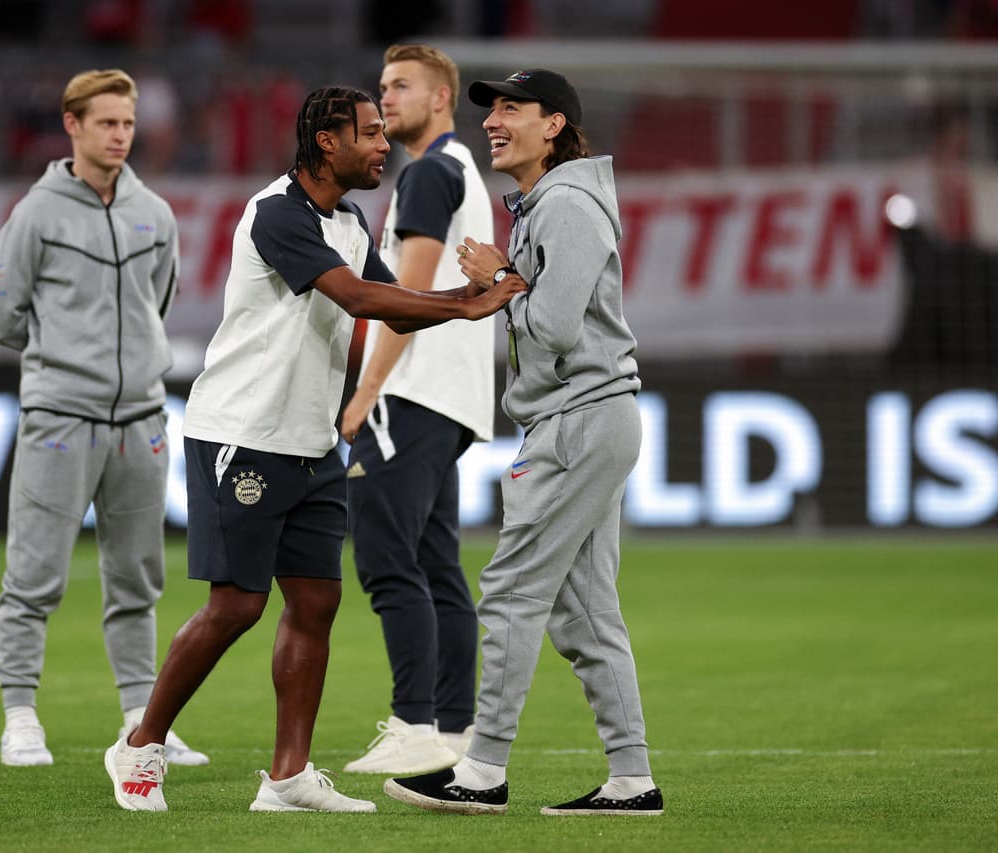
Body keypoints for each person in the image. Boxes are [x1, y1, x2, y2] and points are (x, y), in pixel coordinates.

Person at [102, 85, 525, 813]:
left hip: (310, 441)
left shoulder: (351, 219)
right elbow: (360, 301)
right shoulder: (278, 215)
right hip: (242, 434)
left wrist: (467, 292)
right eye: (367, 132)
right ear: (326, 142)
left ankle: (289, 775)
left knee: (318, 600)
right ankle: (140, 745)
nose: (382, 144)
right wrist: (468, 303)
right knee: (236, 604)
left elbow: (391, 302)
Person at [384, 69, 663, 816]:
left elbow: (555, 327)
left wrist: (502, 277)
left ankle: (481, 771)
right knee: (587, 612)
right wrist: (507, 280)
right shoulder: (556, 202)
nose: (494, 121)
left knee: (510, 590)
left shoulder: (567, 204)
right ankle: (633, 779)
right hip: (589, 416)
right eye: (492, 109)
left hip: (577, 417)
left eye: (513, 108)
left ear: (556, 126)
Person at [0, 68, 206, 769]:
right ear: (71, 124)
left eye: (128, 124)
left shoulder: (156, 212)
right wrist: (66, 364)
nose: (120, 136)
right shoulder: (35, 214)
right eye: (106, 122)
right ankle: (21, 717)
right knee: (33, 574)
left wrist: (119, 364)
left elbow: (155, 305)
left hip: (141, 415)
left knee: (138, 577)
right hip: (59, 416)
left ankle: (143, 721)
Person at [340, 44, 495, 776]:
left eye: (400, 86)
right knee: (436, 563)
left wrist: (364, 394)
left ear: (441, 98)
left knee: (384, 557)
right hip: (454, 396)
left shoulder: (430, 173)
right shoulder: (461, 170)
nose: (385, 99)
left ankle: (413, 724)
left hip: (412, 392)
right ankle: (456, 730)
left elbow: (408, 298)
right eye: (381, 87)